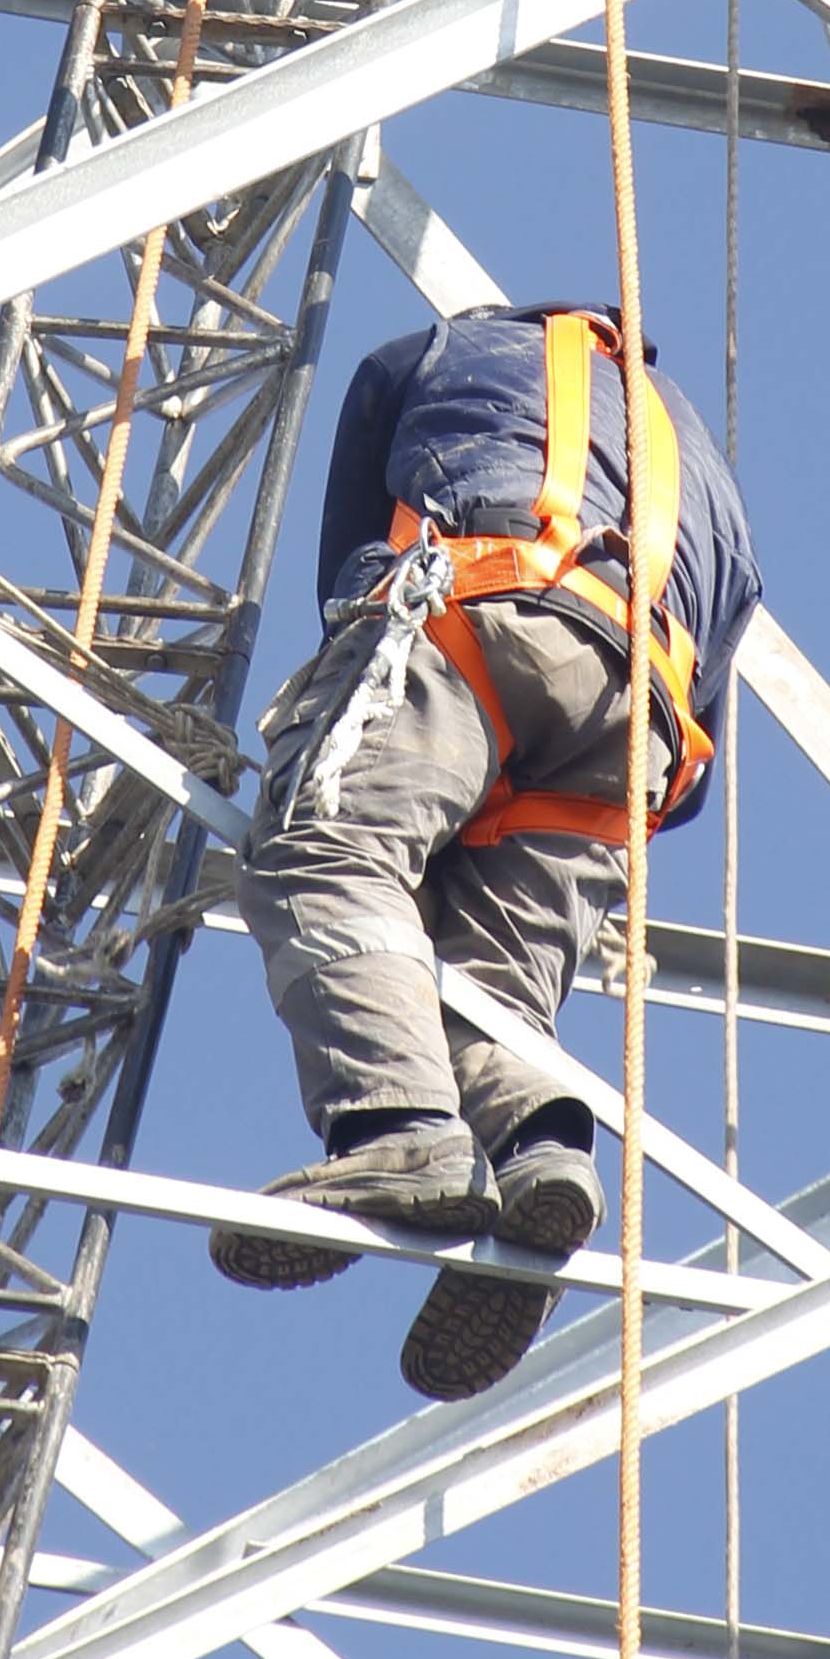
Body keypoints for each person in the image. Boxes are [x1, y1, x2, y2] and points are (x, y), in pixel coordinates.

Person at [218, 300, 762, 1404]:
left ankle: (403, 1129)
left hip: (480, 607)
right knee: (492, 977)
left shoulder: (459, 347)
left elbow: (358, 516)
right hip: (638, 734)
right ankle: (539, 1154)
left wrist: (355, 651)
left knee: (332, 857)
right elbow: (721, 668)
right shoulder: (706, 472)